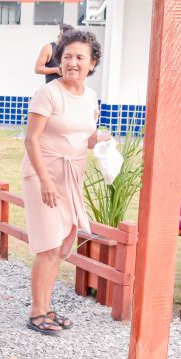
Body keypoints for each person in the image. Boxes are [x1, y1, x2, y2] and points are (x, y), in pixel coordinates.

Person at [23, 30, 110, 334]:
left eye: (80, 58)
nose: (73, 62)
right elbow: (31, 139)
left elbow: (83, 137)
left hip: (70, 178)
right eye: (67, 56)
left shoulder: (90, 97)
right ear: (59, 61)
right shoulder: (48, 93)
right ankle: (37, 312)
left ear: (92, 63)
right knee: (48, 245)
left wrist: (98, 140)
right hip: (42, 177)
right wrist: (45, 180)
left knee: (61, 246)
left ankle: (47, 307)